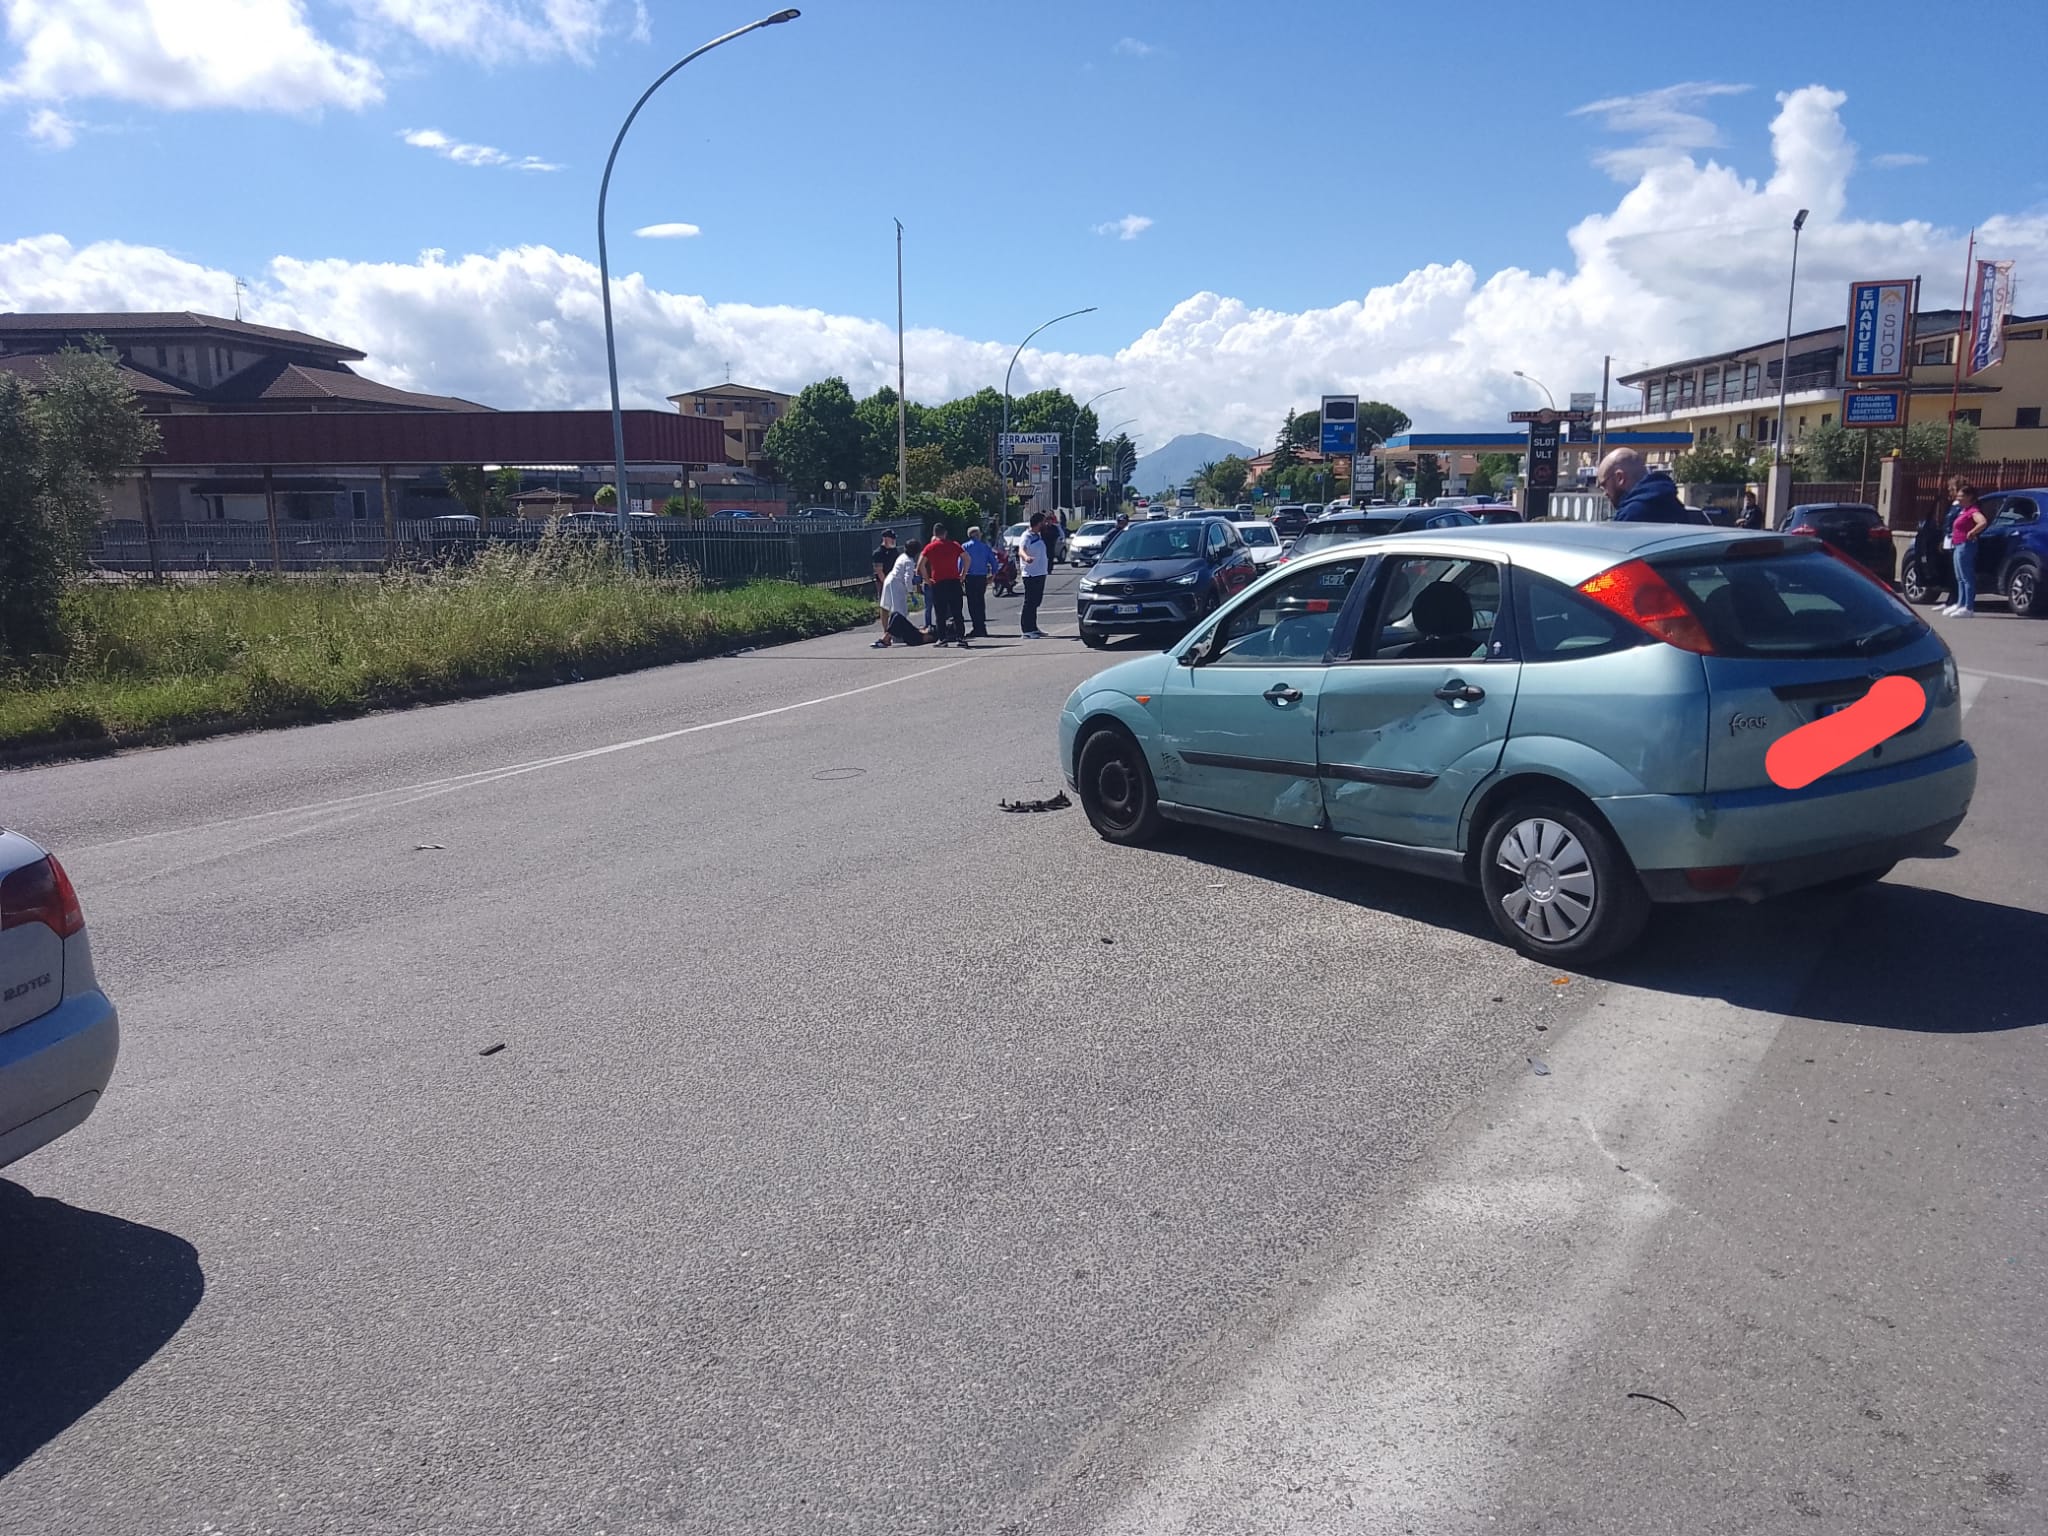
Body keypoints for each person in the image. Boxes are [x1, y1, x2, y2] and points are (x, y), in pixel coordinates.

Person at [1595, 448, 1691, 523]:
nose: (1605, 493)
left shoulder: (1629, 516)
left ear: (1620, 478)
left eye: (1604, 484)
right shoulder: (1675, 505)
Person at [1944, 479, 1987, 618]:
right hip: (1958, 545)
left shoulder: (1973, 511)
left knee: (1967, 577)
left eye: (1961, 496)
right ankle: (1960, 603)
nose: (1958, 499)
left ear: (1969, 497)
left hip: (1966, 546)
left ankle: (1968, 607)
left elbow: (1983, 522)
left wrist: (1973, 532)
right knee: (1959, 577)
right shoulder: (1964, 510)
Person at [920, 521, 968, 646]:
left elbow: (920, 565)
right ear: (945, 533)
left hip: (939, 583)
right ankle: (961, 637)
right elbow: (967, 559)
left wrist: (926, 579)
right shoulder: (954, 545)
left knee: (940, 612)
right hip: (954, 581)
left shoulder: (930, 547)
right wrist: (962, 574)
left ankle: (942, 638)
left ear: (934, 534)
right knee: (957, 611)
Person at [873, 540, 927, 647]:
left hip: (889, 580)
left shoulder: (902, 556)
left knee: (886, 606)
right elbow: (907, 579)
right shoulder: (909, 561)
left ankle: (888, 633)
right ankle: (893, 635)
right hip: (897, 584)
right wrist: (911, 593)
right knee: (899, 612)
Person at [960, 524, 996, 638]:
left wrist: (960, 576)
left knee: (972, 602)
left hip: (969, 577)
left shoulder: (965, 547)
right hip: (981, 577)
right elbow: (994, 562)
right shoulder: (984, 547)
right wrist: (993, 575)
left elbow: (960, 563)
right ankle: (982, 626)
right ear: (976, 535)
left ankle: (977, 626)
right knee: (980, 601)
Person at [1018, 512, 1050, 638]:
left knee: (1036, 601)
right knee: (1030, 602)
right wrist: (1026, 558)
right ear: (1038, 523)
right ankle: (1026, 630)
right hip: (1031, 574)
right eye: (1043, 522)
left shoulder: (1038, 535)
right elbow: (1021, 550)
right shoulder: (1027, 536)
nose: (1045, 524)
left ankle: (1033, 627)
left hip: (1040, 573)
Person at [870, 528, 899, 598]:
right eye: (891, 538)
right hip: (884, 583)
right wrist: (888, 584)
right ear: (885, 539)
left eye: (894, 538)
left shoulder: (894, 551)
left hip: (895, 581)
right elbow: (879, 572)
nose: (894, 540)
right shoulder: (878, 553)